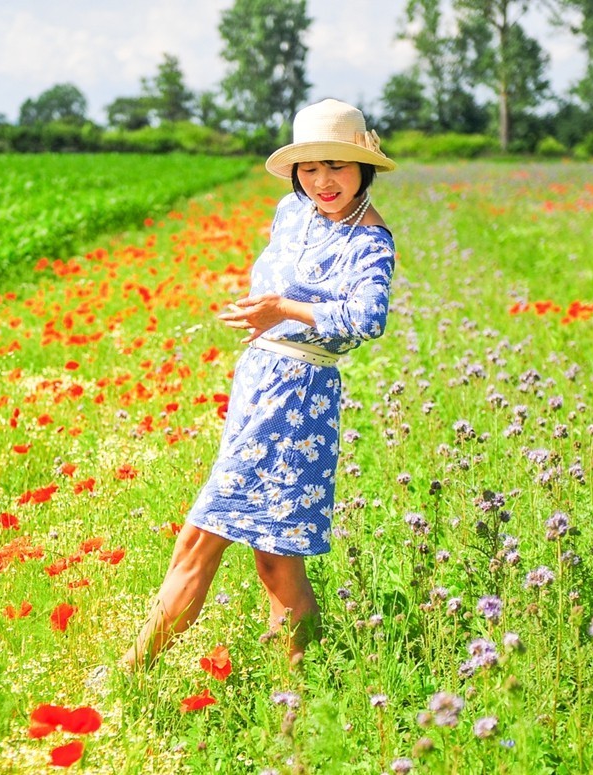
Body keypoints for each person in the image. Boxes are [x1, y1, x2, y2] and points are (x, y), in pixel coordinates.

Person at [121, 98, 398, 669]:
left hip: (299, 396)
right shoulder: (289, 213)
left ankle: (132, 672)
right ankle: (297, 689)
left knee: (208, 538)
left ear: (363, 167)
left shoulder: (370, 239)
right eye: (310, 168)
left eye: (337, 166)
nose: (323, 181)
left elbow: (367, 319)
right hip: (258, 382)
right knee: (275, 559)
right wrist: (266, 314)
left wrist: (284, 311)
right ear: (295, 171)